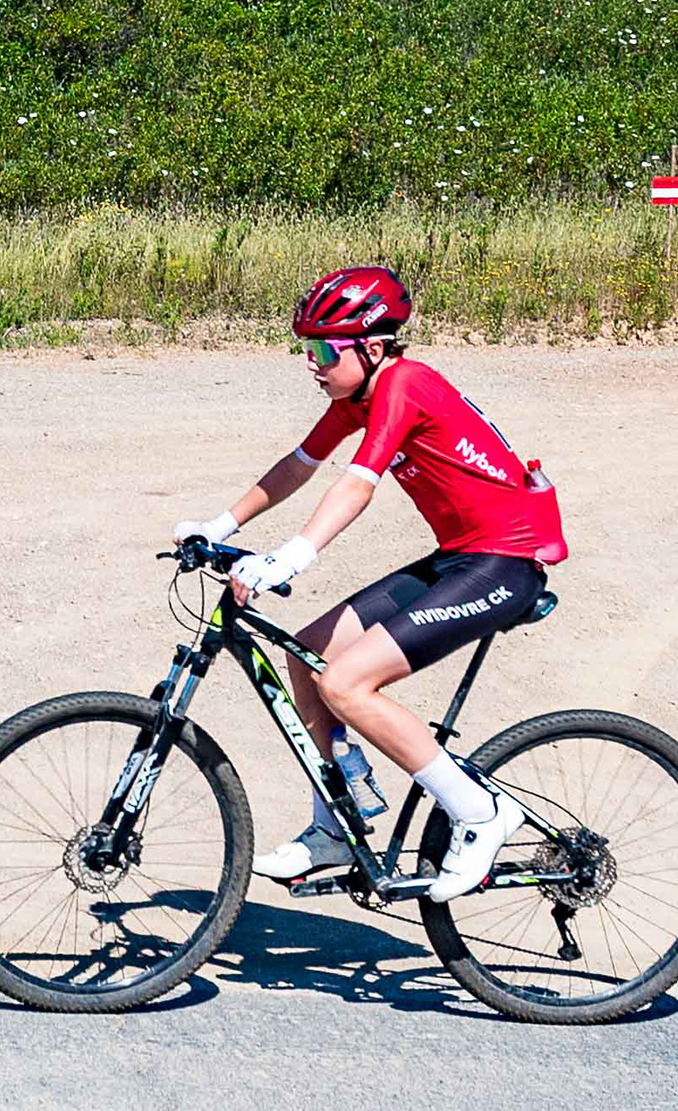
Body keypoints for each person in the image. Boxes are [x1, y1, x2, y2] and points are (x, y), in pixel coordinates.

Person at [173, 266, 567, 902]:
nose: (313, 362)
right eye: (306, 348)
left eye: (326, 350)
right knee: (307, 654)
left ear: (373, 348)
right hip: (459, 557)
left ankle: (481, 813)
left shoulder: (407, 384)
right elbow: (299, 465)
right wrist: (220, 524)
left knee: (345, 684)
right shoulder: (358, 398)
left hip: (504, 564)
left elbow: (359, 482)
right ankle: (335, 823)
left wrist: (289, 558)